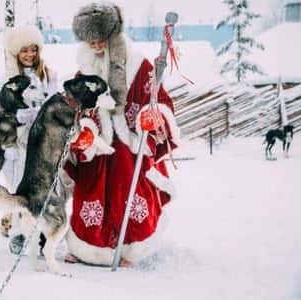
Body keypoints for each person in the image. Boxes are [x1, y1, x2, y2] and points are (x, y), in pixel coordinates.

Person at [62, 2, 180, 267]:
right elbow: (77, 107)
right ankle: (87, 249)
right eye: (90, 40)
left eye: (100, 38)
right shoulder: (83, 70)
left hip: (129, 146)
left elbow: (158, 98)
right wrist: (83, 130)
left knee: (126, 193)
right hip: (97, 145)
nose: (95, 45)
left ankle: (129, 250)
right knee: (89, 195)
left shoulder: (139, 65)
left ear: (112, 33)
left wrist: (154, 115)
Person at [1, 25, 58, 254]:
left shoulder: (48, 75)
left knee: (43, 188)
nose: (29, 55)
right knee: (18, 188)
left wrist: (44, 114)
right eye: (24, 50)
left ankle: (43, 234)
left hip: (41, 141)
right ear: (16, 52)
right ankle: (19, 233)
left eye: (33, 49)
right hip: (16, 142)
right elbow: (0, 111)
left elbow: (55, 104)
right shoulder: (7, 78)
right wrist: (18, 116)